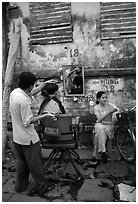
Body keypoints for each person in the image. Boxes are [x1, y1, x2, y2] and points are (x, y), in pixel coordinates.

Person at [9, 71, 56, 197]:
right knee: (36, 165)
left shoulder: (15, 93)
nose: (34, 88)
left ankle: (20, 187)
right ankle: (42, 187)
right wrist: (44, 115)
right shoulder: (24, 101)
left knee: (22, 164)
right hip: (28, 139)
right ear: (30, 85)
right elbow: (27, 121)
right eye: (33, 85)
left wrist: (44, 83)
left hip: (17, 138)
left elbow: (31, 92)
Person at [93, 91, 119, 163]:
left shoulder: (109, 105)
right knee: (101, 129)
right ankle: (103, 151)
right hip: (100, 124)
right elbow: (99, 119)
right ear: (98, 99)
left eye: (106, 98)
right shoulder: (96, 107)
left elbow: (118, 110)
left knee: (101, 131)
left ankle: (102, 152)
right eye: (103, 98)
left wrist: (114, 111)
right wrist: (109, 112)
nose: (105, 99)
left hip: (108, 125)